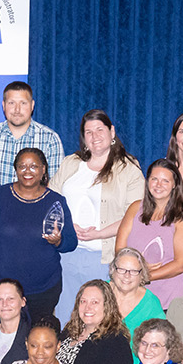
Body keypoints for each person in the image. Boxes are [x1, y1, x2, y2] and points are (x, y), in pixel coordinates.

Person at [49, 110, 143, 321]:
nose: (95, 136)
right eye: (88, 132)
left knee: (99, 319)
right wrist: (68, 226)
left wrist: (99, 233)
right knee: (67, 318)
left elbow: (135, 215)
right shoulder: (71, 162)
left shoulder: (129, 168)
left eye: (100, 129)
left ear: (112, 132)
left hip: (104, 257)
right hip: (67, 254)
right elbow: (50, 200)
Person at [0, 147, 80, 324]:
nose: (27, 171)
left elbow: (71, 242)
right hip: (4, 290)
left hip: (44, 290)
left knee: (36, 342)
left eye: (34, 166)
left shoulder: (56, 201)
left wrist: (58, 241)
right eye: (22, 166)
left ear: (43, 170)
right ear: (16, 169)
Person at [116, 159, 183, 308]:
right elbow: (120, 251)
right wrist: (133, 272)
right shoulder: (135, 208)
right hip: (132, 298)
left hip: (169, 301)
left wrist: (142, 276)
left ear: (175, 184)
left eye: (165, 181)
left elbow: (181, 264)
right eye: (154, 179)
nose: (158, 185)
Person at [0, 80, 66, 188]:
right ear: (3, 105)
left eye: (23, 103)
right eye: (11, 103)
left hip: (36, 205)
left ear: (32, 105)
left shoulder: (50, 139)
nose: (17, 109)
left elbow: (54, 186)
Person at [110, 248, 167, 352]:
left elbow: (161, 342)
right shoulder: (99, 292)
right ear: (113, 270)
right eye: (121, 269)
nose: (127, 275)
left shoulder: (150, 303)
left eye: (134, 271)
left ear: (142, 275)